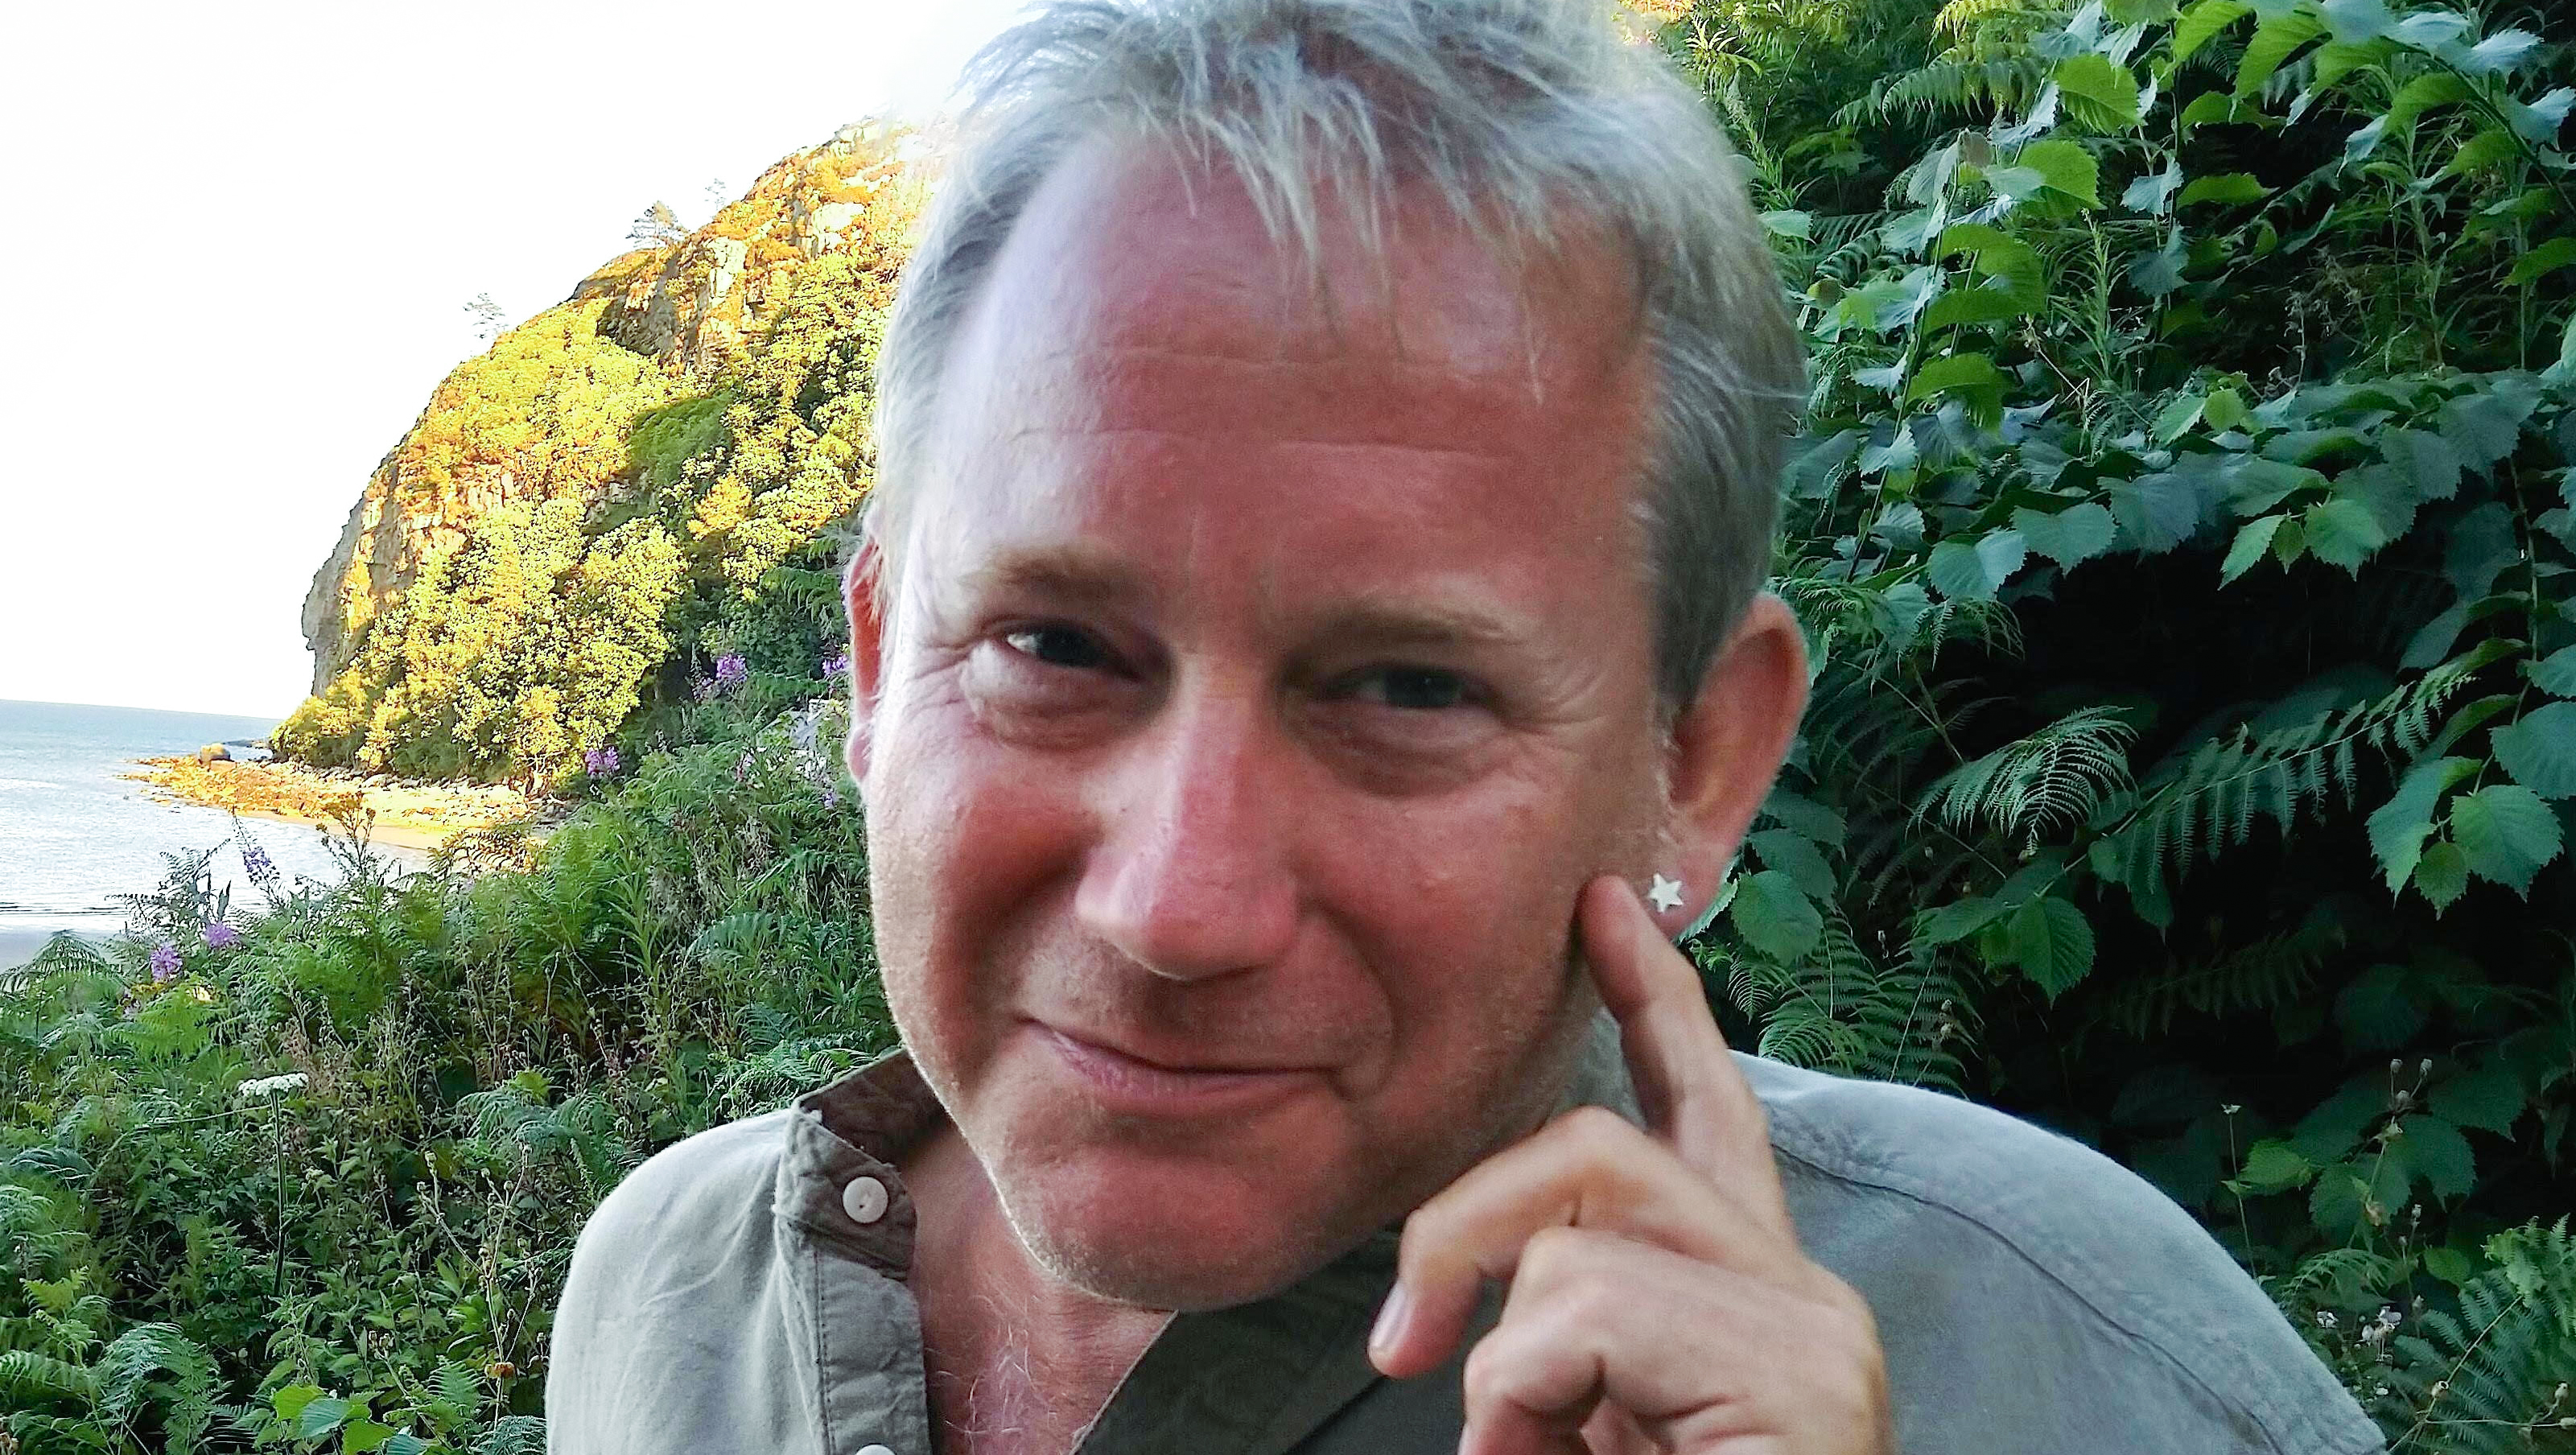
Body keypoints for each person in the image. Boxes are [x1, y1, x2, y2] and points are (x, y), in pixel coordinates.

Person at [544, 2, 2384, 1452]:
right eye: (1052, 645)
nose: (1174, 905)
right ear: (877, 667)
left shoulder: (2084, 1373)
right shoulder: (662, 1301)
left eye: (1407, 689)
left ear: (1696, 761)